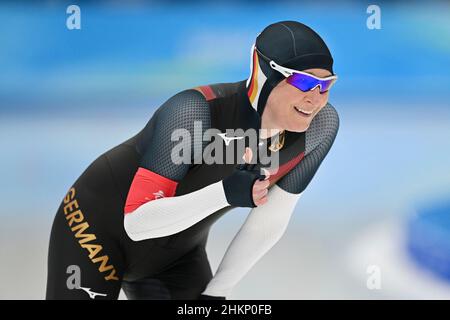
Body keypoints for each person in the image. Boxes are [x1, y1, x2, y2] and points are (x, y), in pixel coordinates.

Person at [46, 20, 339, 300]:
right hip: (95, 233)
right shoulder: (193, 112)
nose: (316, 99)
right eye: (303, 82)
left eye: (326, 85)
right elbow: (136, 222)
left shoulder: (320, 128)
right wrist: (225, 193)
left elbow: (270, 220)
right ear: (266, 76)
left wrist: (217, 291)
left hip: (176, 258)